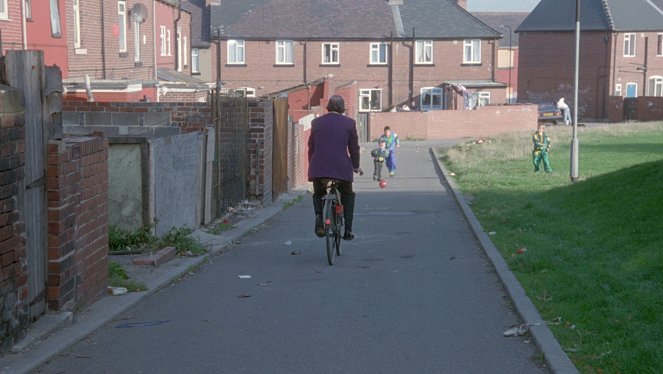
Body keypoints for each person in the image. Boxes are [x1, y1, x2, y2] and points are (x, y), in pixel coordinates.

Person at [308, 95, 362, 241]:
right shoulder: (349, 123)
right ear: (342, 108)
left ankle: (319, 218)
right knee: (348, 195)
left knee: (318, 193)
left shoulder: (316, 122)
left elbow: (311, 147)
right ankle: (348, 231)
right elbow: (354, 148)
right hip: (341, 167)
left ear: (328, 107)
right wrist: (356, 166)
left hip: (319, 168)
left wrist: (312, 166)